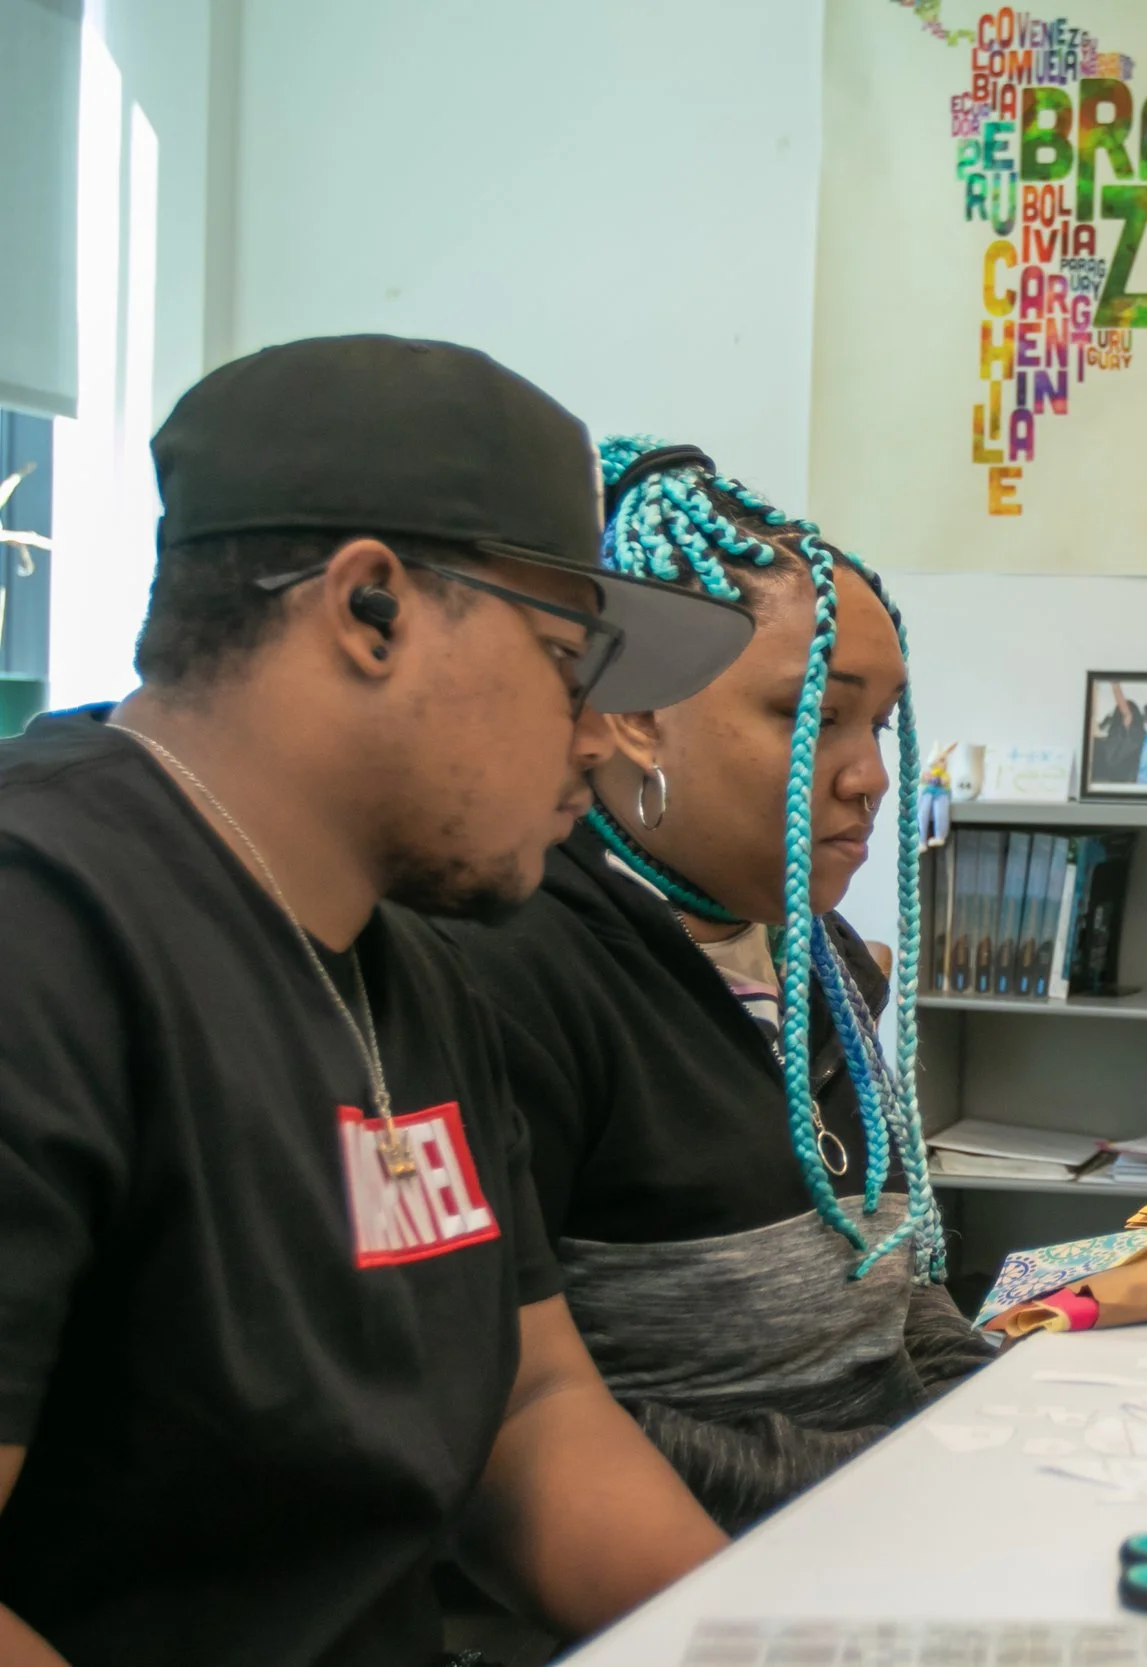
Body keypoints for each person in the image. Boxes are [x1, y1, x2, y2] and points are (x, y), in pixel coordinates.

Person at [0, 337, 748, 1664]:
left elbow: (533, 1409)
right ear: (371, 609)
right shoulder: (45, 937)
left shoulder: (409, 953)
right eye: (570, 657)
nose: (594, 732)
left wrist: (779, 1644)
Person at [442, 439, 990, 1532]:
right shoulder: (510, 970)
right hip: (692, 1581)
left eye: (879, 723)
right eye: (811, 714)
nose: (870, 773)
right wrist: (915, 1487)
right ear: (636, 713)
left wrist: (1005, 1415)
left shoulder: (813, 950)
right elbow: (527, 1437)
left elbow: (887, 1301)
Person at [1092, 683, 1144, 785]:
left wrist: (1115, 686)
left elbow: (1126, 713)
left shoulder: (1132, 733)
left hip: (1120, 780)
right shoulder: (1121, 734)